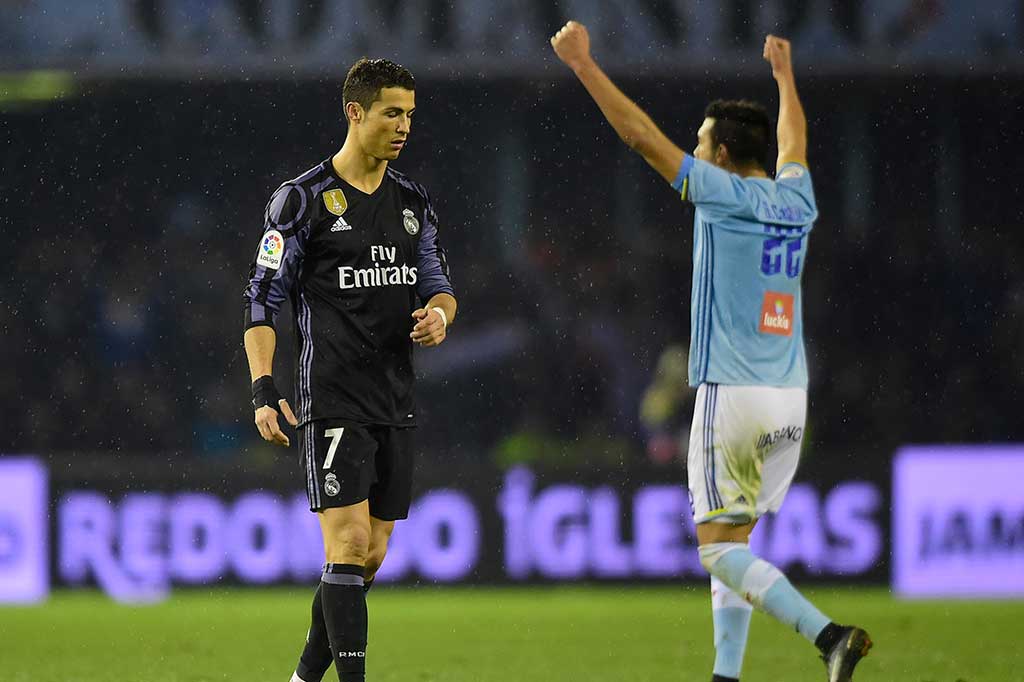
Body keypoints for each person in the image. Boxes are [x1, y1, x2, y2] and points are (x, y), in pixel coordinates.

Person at [550, 22, 871, 682]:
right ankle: (726, 674)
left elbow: (641, 138)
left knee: (717, 553)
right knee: (734, 543)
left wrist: (584, 64)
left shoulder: (722, 196)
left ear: (722, 155)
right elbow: (794, 143)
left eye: (700, 144)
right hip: (788, 396)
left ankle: (829, 635)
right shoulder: (796, 200)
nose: (692, 152)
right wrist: (784, 78)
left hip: (732, 391)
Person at [241, 57, 457, 682]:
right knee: (349, 545)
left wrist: (440, 316)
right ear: (355, 113)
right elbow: (262, 299)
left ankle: (304, 678)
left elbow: (440, 286)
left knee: (370, 559)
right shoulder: (302, 200)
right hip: (331, 396)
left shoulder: (413, 201)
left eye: (411, 115)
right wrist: (263, 389)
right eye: (393, 113)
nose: (404, 127)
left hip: (395, 397)